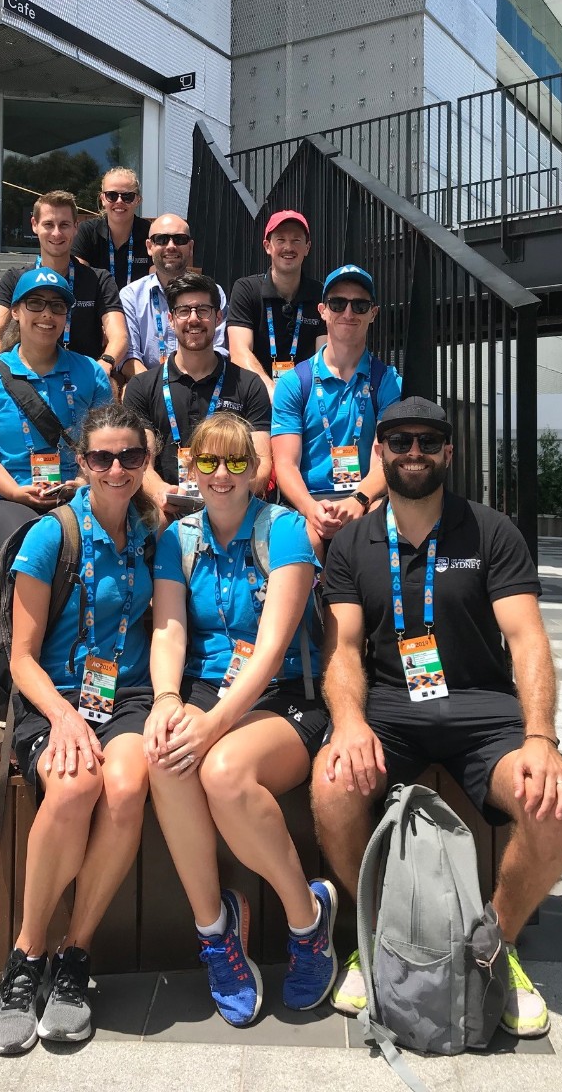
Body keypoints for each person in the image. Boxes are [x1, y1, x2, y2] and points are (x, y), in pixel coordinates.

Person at [310, 395, 562, 1037]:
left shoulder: (489, 530)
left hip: (485, 713)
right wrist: (349, 723)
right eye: (398, 441)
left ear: (448, 453)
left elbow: (528, 639)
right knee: (331, 786)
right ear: (379, 453)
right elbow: (342, 646)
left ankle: (494, 947)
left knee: (555, 804)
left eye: (427, 441)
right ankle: (373, 936)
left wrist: (541, 737)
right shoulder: (353, 543)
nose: (412, 453)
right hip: (388, 713)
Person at [145, 412, 336, 1027]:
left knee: (223, 770)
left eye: (235, 462)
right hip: (203, 690)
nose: (221, 475)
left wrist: (215, 722)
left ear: (257, 471)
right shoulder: (179, 538)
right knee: (165, 759)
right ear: (190, 467)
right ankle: (216, 932)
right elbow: (169, 628)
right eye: (207, 462)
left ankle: (306, 922)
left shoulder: (285, 532)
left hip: (282, 697)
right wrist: (168, 701)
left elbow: (276, 647)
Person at [0, 402, 158, 1054]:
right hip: (52, 697)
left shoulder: (149, 532)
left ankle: (74, 954)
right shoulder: (51, 535)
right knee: (74, 785)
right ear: (82, 463)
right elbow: (21, 657)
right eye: (104, 457)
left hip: (127, 699)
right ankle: (27, 957)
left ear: (146, 463)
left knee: (124, 785)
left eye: (132, 457)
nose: (118, 469)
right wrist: (61, 716)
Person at [0, 268, 113, 576]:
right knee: (36, 546)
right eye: (36, 303)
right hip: (2, 498)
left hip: (77, 495)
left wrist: (83, 483)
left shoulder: (91, 373)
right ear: (15, 311)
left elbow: (106, 445)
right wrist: (16, 492)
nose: (47, 314)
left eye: (58, 306)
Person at [271, 264, 401, 555]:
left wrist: (359, 500)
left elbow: (386, 458)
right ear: (322, 310)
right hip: (307, 503)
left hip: (367, 500)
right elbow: (285, 464)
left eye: (360, 305)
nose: (348, 313)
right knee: (304, 541)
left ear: (373, 313)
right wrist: (311, 509)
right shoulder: (295, 382)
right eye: (338, 303)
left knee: (383, 532)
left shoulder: (389, 382)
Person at [123, 272, 271, 518]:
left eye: (203, 310)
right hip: (167, 512)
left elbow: (262, 464)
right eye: (183, 311)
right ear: (171, 319)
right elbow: (140, 463)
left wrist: (224, 494)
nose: (194, 319)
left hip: (234, 509)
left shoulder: (248, 384)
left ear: (218, 317)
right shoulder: (142, 387)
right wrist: (160, 490)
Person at [0, 191, 130, 379]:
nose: (57, 233)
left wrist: (105, 364)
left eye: (64, 225)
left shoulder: (99, 279)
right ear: (34, 225)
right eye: (48, 224)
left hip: (82, 379)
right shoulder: (15, 278)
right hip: (26, 378)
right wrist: (8, 372)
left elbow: (119, 336)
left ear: (76, 227)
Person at [228, 209, 326, 400]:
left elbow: (324, 356)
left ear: (307, 247)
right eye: (280, 240)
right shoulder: (246, 289)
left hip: (307, 397)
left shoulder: (320, 294)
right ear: (267, 246)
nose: (288, 247)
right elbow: (239, 352)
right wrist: (272, 391)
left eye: (296, 240)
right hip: (257, 396)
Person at [119, 213, 228, 372]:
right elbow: (130, 357)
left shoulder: (214, 292)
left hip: (203, 386)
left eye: (179, 239)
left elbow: (219, 350)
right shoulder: (131, 296)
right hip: (150, 390)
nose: (171, 246)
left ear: (190, 247)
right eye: (162, 239)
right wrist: (158, 390)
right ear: (149, 247)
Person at [71, 166, 154, 288]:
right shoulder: (86, 232)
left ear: (138, 200)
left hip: (138, 306)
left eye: (128, 196)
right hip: (98, 305)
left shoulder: (150, 232)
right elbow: (80, 282)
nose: (119, 201)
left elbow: (155, 285)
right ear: (103, 199)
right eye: (112, 195)